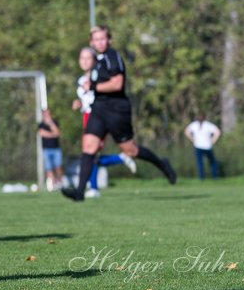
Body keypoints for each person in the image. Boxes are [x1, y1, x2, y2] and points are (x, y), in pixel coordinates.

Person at [65, 25, 176, 201]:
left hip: (116, 109)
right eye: (96, 39)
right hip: (98, 109)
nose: (100, 42)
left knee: (130, 150)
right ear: (91, 42)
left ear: (108, 40)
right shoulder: (97, 60)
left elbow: (117, 84)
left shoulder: (112, 57)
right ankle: (79, 192)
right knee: (88, 148)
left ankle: (162, 164)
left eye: (103, 39)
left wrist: (92, 86)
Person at [71, 46, 137, 199]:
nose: (85, 61)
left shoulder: (100, 75)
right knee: (90, 154)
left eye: (88, 58)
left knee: (91, 154)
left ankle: (94, 186)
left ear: (94, 60)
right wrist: (79, 104)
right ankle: (94, 184)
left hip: (100, 116)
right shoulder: (81, 80)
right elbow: (86, 100)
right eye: (82, 58)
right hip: (87, 116)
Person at [37, 109, 65, 192]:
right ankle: (52, 185)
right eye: (45, 114)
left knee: (58, 166)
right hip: (46, 149)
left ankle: (59, 183)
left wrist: (51, 124)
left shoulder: (54, 122)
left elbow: (58, 133)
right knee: (49, 168)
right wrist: (53, 134)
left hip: (56, 149)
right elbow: (42, 133)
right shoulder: (41, 124)